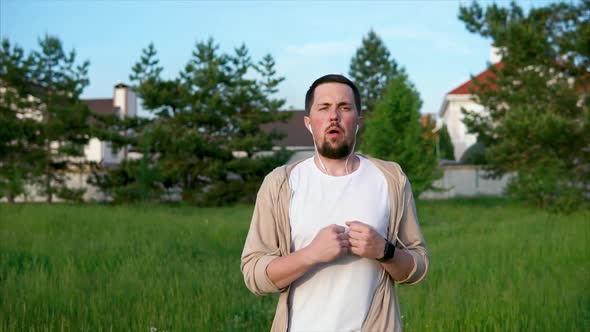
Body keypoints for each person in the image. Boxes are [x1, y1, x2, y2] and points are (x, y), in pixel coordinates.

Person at [241, 74, 429, 332]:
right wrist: (311, 254)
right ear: (309, 122)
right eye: (324, 108)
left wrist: (385, 251)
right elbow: (254, 275)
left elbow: (418, 266)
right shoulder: (280, 184)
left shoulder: (391, 179)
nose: (334, 116)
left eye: (344, 107)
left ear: (358, 121)